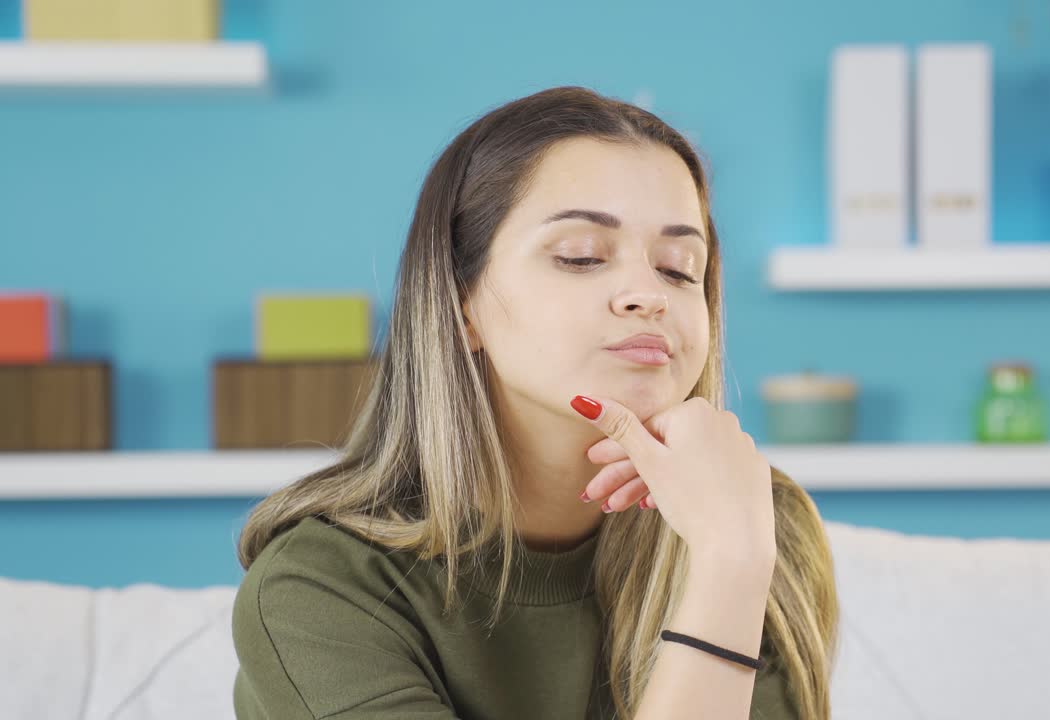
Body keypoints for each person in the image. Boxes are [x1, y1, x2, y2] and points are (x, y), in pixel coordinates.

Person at [231, 85, 839, 720]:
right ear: (460, 305)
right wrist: (730, 561)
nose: (647, 294)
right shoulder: (319, 589)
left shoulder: (755, 521)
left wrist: (733, 561)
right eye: (580, 256)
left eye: (680, 268)